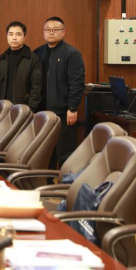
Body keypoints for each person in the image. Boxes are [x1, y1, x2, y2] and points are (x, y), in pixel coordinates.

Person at [34, 16, 85, 168]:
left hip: (64, 112)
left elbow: (77, 83)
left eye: (55, 30)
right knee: (45, 152)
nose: (51, 33)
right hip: (43, 112)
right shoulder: (38, 53)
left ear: (63, 32)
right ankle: (48, 180)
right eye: (48, 30)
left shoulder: (72, 54)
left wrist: (72, 107)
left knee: (65, 152)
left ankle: (66, 181)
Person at [0, 21, 42, 113]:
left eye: (18, 34)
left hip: (24, 108)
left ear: (24, 37)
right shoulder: (1, 59)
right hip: (3, 108)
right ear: (7, 36)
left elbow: (36, 87)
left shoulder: (33, 59)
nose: (14, 37)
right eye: (11, 34)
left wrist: (32, 109)